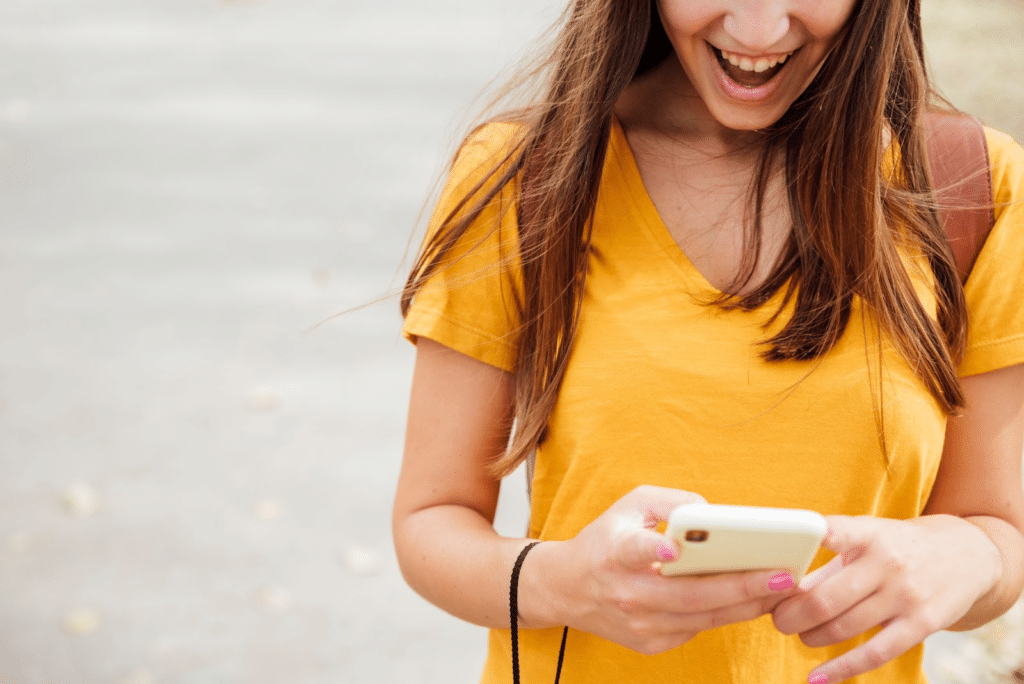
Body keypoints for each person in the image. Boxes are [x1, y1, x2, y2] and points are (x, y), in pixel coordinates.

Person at [392, 0, 1024, 682]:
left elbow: (997, 531)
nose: (757, 32)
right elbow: (432, 519)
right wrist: (563, 583)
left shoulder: (973, 189)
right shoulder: (528, 176)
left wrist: (963, 557)